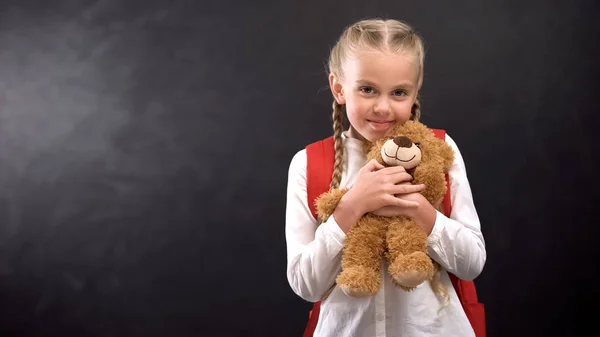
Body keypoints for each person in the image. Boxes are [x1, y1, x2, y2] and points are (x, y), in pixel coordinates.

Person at [284, 18, 486, 337]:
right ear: (339, 88)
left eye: (399, 93)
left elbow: (472, 262)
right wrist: (351, 206)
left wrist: (418, 210)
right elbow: (304, 284)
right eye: (367, 89)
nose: (382, 107)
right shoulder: (307, 164)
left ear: (415, 92)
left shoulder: (439, 150)